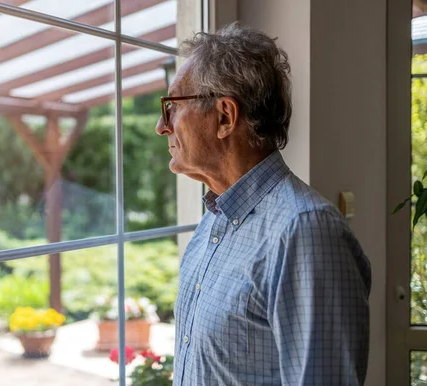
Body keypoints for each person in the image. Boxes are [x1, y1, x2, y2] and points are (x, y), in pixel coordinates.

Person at [156, 22, 371, 385]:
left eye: (172, 107)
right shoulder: (217, 218)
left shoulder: (306, 231)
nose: (162, 127)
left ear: (225, 116)